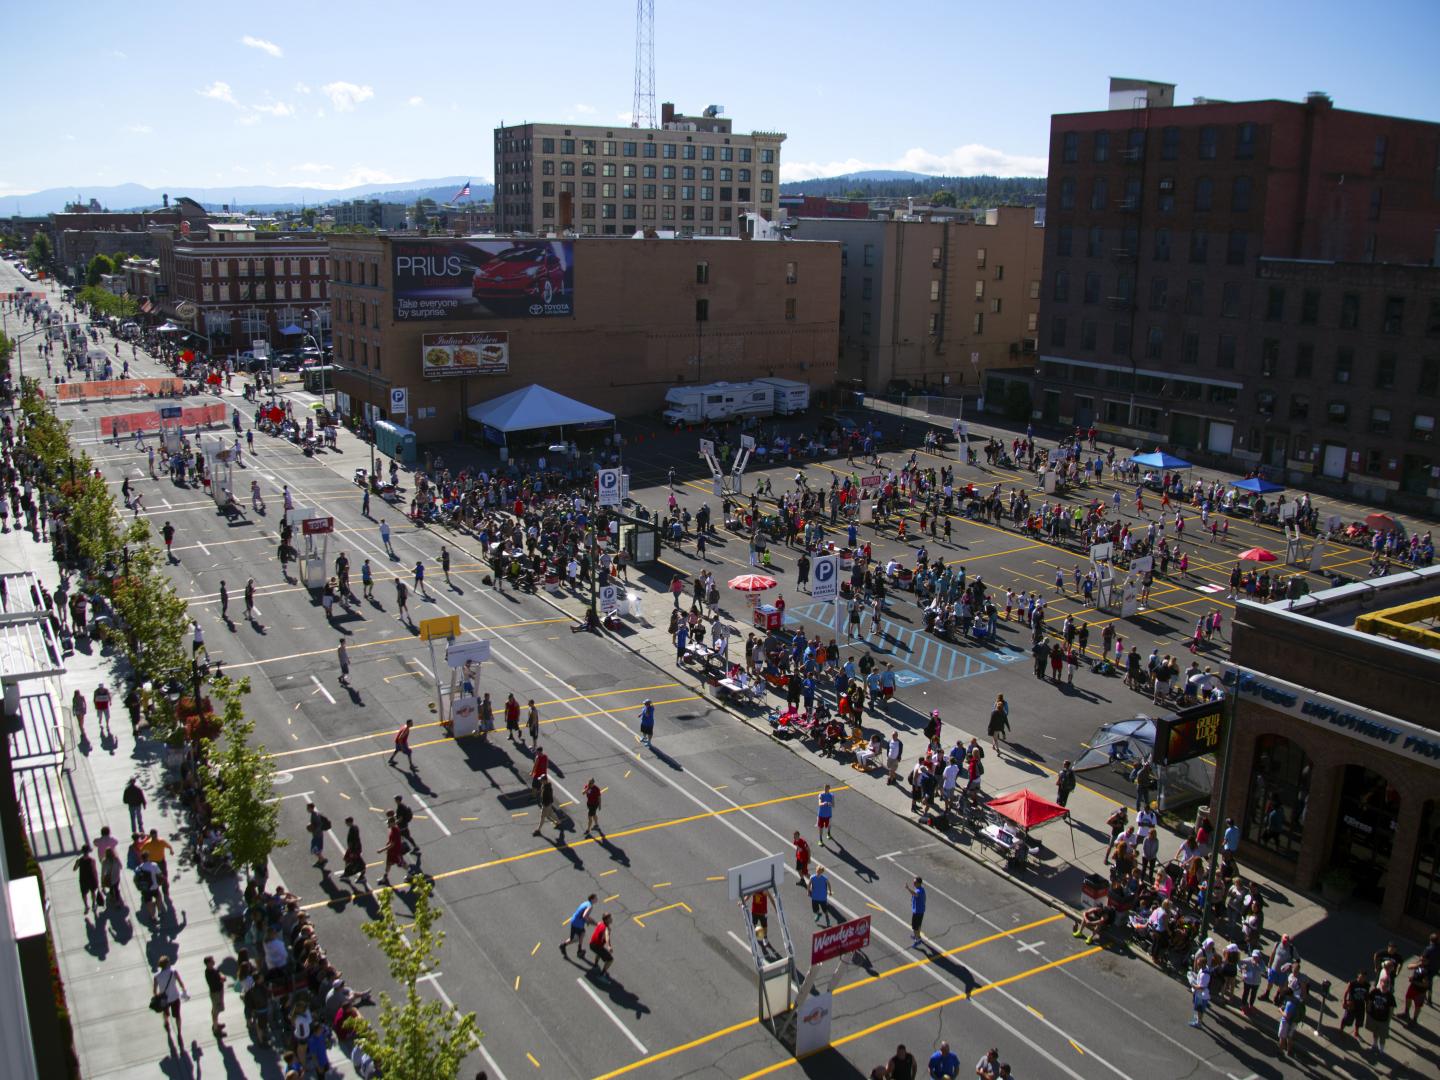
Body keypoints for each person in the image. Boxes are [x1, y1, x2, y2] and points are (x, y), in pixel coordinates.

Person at [152, 956, 187, 1047]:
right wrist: (184, 991)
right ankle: (179, 1031)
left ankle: (166, 1022)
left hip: (164, 999)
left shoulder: (156, 976)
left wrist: (157, 995)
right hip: (175, 997)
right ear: (167, 964)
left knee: (165, 1013)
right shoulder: (174, 972)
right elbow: (180, 983)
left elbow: (154, 991)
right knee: (177, 1015)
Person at [560, 894, 597, 959]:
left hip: (574, 921)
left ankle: (568, 947)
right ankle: (576, 950)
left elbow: (583, 914)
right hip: (578, 924)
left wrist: (590, 921)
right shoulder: (590, 906)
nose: (597, 899)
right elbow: (585, 915)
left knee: (579, 935)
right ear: (592, 899)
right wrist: (590, 922)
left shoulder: (586, 903)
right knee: (579, 935)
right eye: (596, 898)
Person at [73, 843, 100, 915]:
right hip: (91, 879)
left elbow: (74, 869)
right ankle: (93, 904)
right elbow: (94, 870)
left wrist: (76, 863)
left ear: (82, 851)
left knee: (84, 894)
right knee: (93, 892)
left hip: (83, 879)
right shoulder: (92, 860)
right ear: (88, 851)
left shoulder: (79, 860)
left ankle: (86, 906)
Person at [204, 955, 227, 1039]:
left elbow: (218, 973)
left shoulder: (213, 970)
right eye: (211, 961)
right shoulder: (210, 973)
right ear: (207, 963)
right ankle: (216, 1029)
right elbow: (219, 979)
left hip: (218, 992)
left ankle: (216, 1024)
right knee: (216, 1011)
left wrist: (221, 976)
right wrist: (222, 978)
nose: (213, 961)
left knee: (216, 1009)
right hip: (216, 993)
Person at [589, 912, 615, 981]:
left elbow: (595, 923)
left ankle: (595, 965)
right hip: (597, 946)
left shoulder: (600, 923)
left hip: (592, 944)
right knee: (610, 960)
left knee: (599, 952)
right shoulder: (606, 928)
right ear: (606, 920)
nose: (611, 919)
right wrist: (609, 946)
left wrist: (588, 921)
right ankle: (602, 975)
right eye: (610, 918)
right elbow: (607, 936)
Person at [907, 876, 926, 947]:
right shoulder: (921, 889)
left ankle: (917, 939)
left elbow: (915, 894)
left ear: (918, 883)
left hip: (917, 911)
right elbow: (915, 895)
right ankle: (918, 936)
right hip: (920, 910)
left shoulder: (918, 891)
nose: (913, 883)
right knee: (918, 925)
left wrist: (908, 888)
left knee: (914, 926)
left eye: (914, 882)